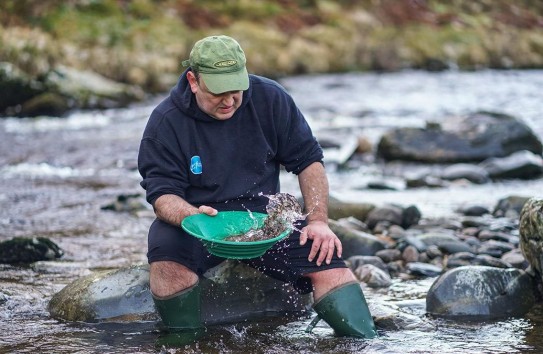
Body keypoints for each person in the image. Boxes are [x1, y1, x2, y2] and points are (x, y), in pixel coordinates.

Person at [137, 35, 376, 339]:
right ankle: (185, 341)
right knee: (166, 257)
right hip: (198, 221)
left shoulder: (271, 99)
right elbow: (162, 194)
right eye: (218, 92)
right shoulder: (165, 122)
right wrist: (191, 215)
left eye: (235, 89)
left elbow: (309, 161)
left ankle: (367, 342)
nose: (229, 100)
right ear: (193, 81)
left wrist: (318, 221)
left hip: (264, 219)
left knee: (327, 260)